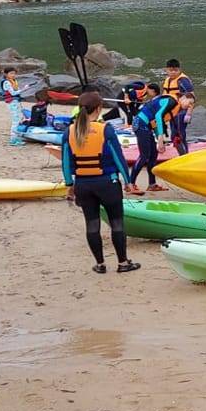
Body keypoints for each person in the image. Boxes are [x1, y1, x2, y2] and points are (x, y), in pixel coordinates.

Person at [62, 91, 139, 275]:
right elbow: (118, 157)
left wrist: (69, 185)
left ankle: (100, 264)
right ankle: (122, 263)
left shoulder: (70, 131)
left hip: (83, 185)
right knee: (117, 223)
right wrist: (128, 181)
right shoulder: (106, 129)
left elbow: (65, 162)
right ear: (98, 109)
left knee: (92, 224)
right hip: (107, 183)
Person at [126, 82, 176, 195]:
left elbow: (155, 122)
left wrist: (160, 140)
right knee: (144, 155)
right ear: (183, 98)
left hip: (146, 125)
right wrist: (160, 138)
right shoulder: (171, 101)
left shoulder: (162, 101)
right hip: (141, 124)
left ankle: (152, 184)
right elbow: (158, 116)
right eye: (189, 104)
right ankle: (130, 184)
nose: (189, 107)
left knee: (153, 155)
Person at [161, 59, 194, 155]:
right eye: (171, 70)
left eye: (175, 70)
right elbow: (165, 95)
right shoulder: (167, 80)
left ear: (179, 69)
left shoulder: (183, 80)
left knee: (178, 135)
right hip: (172, 112)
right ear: (166, 70)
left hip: (181, 111)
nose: (173, 72)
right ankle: (183, 154)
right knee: (175, 136)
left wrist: (189, 113)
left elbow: (191, 97)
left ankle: (184, 155)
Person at [0, 67, 25, 145]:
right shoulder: (6, 82)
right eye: (11, 73)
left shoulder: (14, 82)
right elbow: (13, 93)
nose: (13, 75)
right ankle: (13, 139)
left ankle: (18, 138)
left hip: (16, 101)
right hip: (11, 102)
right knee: (15, 120)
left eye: (14, 73)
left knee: (20, 118)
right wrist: (24, 89)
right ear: (6, 74)